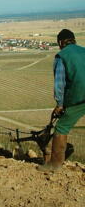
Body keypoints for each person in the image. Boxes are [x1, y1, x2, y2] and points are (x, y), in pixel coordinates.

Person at [38, 29, 85, 172]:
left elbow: (60, 84)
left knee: (61, 128)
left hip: (79, 98)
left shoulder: (62, 56)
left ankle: (54, 165)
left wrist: (59, 104)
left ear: (60, 42)